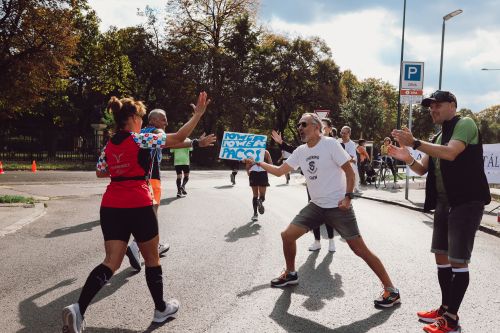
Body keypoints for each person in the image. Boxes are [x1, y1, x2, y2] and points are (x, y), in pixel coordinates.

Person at [61, 92, 210, 333]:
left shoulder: (109, 145)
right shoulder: (140, 139)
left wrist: (121, 167)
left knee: (110, 262)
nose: (141, 121)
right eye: (140, 116)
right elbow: (179, 137)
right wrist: (197, 115)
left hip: (111, 204)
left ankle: (78, 308)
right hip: (138, 203)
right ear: (131, 118)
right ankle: (161, 309)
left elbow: (101, 171)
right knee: (152, 259)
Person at [255, 113, 401, 308]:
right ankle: (290, 274)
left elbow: (349, 172)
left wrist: (348, 197)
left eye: (304, 124)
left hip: (338, 206)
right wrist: (258, 163)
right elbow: (281, 171)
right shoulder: (300, 150)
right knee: (287, 236)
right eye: (298, 125)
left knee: (359, 249)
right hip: (316, 206)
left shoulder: (331, 144)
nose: (300, 127)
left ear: (317, 127)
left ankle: (391, 290)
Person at [389, 90, 490, 333]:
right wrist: (407, 157)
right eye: (430, 106)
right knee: (441, 257)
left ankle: (452, 320)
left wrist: (414, 142)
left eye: (438, 105)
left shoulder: (464, 123)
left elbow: (452, 152)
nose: (432, 110)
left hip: (466, 203)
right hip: (444, 204)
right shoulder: (437, 135)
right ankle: (445, 308)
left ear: (452, 105)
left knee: (457, 261)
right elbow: (423, 169)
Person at [125, 109, 216, 271]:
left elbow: (171, 143)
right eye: (163, 120)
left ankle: (154, 245)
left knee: (148, 214)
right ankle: (135, 245)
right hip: (151, 177)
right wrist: (196, 140)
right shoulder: (156, 131)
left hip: (137, 179)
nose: (166, 123)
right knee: (151, 214)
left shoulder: (141, 133)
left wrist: (194, 143)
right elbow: (175, 140)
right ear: (153, 120)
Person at [272, 122, 337, 253]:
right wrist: (281, 143)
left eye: (323, 126)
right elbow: (294, 150)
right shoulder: (307, 147)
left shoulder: (332, 144)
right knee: (314, 213)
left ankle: (331, 241)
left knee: (329, 214)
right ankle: (317, 241)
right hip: (312, 185)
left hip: (329, 187)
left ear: (326, 129)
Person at [245, 149, 272, 221]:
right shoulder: (266, 152)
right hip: (263, 173)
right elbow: (271, 165)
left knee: (255, 195)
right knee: (262, 196)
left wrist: (248, 170)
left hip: (253, 173)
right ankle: (260, 201)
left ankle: (255, 214)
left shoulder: (250, 152)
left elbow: (247, 166)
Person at [339, 126, 360, 192]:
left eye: (344, 133)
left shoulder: (351, 144)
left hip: (348, 164)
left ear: (349, 134)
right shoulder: (337, 142)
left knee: (352, 166)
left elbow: (351, 157)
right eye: (341, 133)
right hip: (338, 164)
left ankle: (353, 187)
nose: (343, 135)